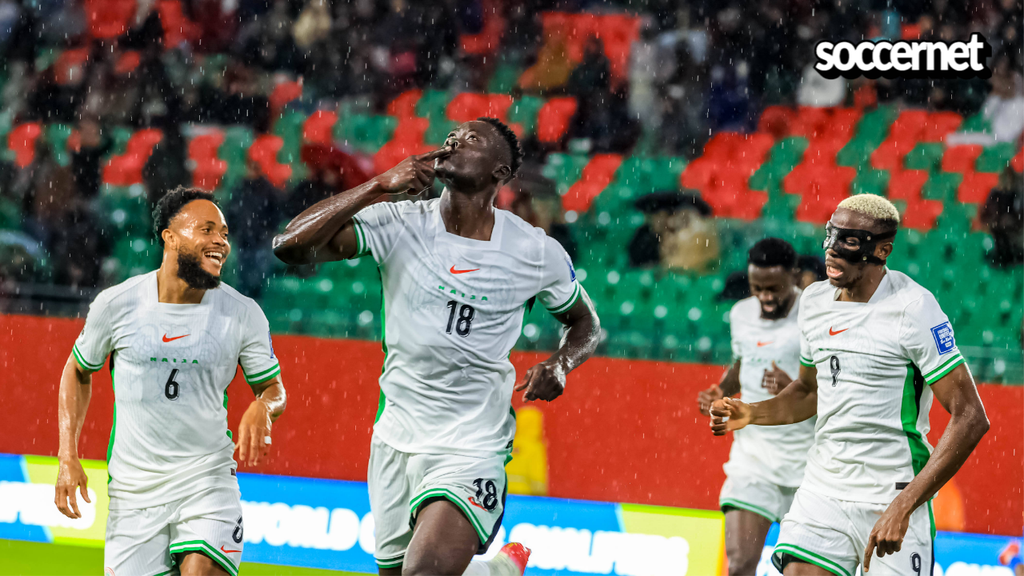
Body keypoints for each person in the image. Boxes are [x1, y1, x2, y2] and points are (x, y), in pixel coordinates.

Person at [273, 117, 601, 576]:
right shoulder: (398, 221)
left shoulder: (535, 251)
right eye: (451, 136)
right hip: (395, 441)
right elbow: (289, 247)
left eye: (472, 140)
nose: (453, 141)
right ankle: (495, 572)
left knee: (423, 571)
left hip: (472, 445)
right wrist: (377, 186)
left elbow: (585, 322)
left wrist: (561, 363)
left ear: (500, 173)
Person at [711, 195, 990, 576]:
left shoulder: (914, 309)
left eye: (850, 241)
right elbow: (809, 392)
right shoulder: (814, 302)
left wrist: (904, 504)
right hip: (823, 489)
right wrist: (753, 412)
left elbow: (971, 416)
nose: (832, 250)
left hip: (891, 492)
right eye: (830, 235)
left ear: (883, 249)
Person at [54, 187, 287, 576]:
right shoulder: (117, 304)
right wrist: (67, 455)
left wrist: (265, 406)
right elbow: (78, 370)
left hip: (207, 481)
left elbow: (273, 388)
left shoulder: (244, 314)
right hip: (133, 495)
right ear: (170, 237)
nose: (220, 242)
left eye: (225, 234)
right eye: (207, 230)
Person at [697, 238, 815, 576]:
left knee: (799, 572)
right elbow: (741, 365)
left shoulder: (815, 314)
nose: (764, 296)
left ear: (795, 276)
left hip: (809, 467)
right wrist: (720, 390)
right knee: (740, 565)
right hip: (754, 460)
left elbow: (837, 383)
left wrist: (796, 385)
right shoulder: (741, 313)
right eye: (756, 287)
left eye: (773, 288)